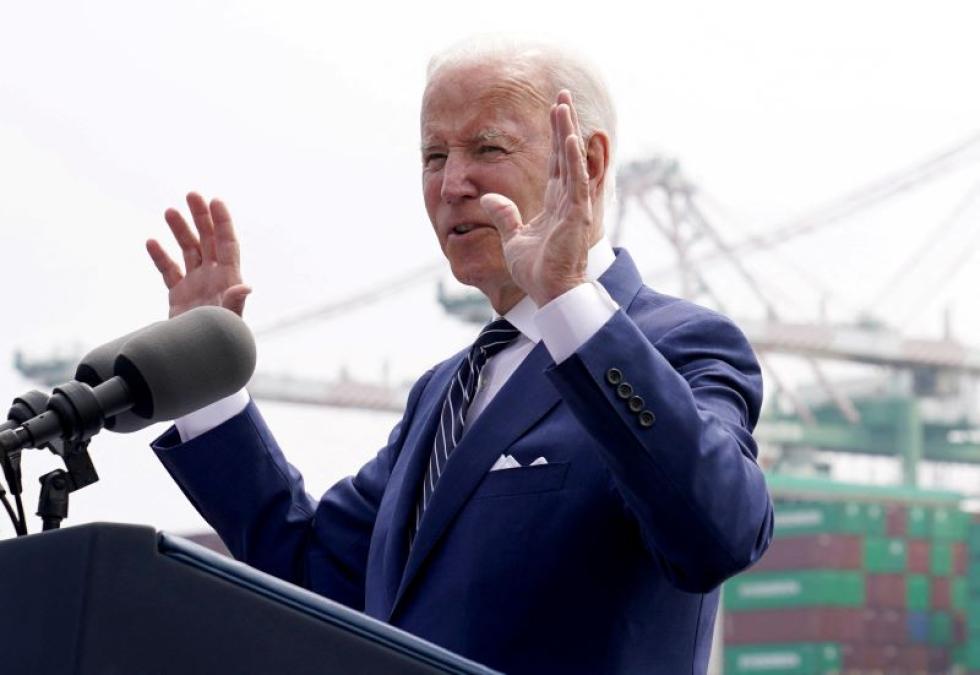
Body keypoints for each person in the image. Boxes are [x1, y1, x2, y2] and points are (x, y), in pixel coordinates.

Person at [146, 38, 772, 675]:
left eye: (488, 148)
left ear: (587, 159)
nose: (451, 184)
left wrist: (567, 299)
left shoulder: (681, 345)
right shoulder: (443, 393)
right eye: (433, 156)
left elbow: (719, 534)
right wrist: (207, 384)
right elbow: (313, 572)